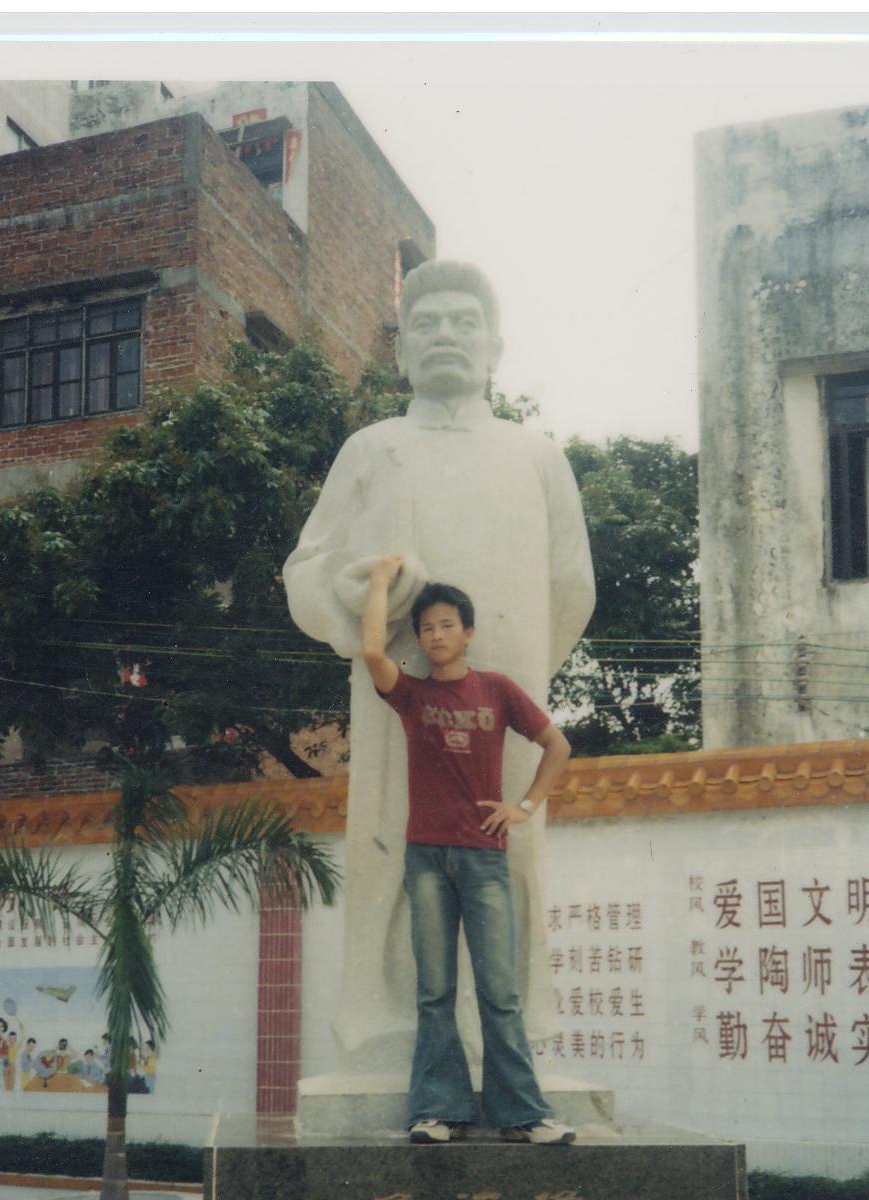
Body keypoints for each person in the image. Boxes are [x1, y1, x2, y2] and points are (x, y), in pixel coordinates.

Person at [284, 260, 594, 1076]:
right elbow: (306, 568)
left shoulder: (535, 456)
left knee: (513, 858)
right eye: (426, 324)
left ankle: (515, 1048)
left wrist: (521, 669)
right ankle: (385, 1034)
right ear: (401, 353)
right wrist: (356, 591)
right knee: (390, 850)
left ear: (495, 346)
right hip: (400, 701)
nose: (446, 335)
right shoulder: (372, 449)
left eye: (464, 322)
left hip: (503, 707)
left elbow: (572, 587)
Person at [362, 559, 576, 1145]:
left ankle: (523, 1114)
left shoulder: (497, 690)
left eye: (447, 625)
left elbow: (557, 745)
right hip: (426, 859)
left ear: (468, 632)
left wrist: (524, 806)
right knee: (434, 992)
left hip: (485, 859)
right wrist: (379, 583)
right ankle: (438, 1111)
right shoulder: (412, 696)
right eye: (427, 627)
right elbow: (373, 650)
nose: (436, 635)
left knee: (499, 992)